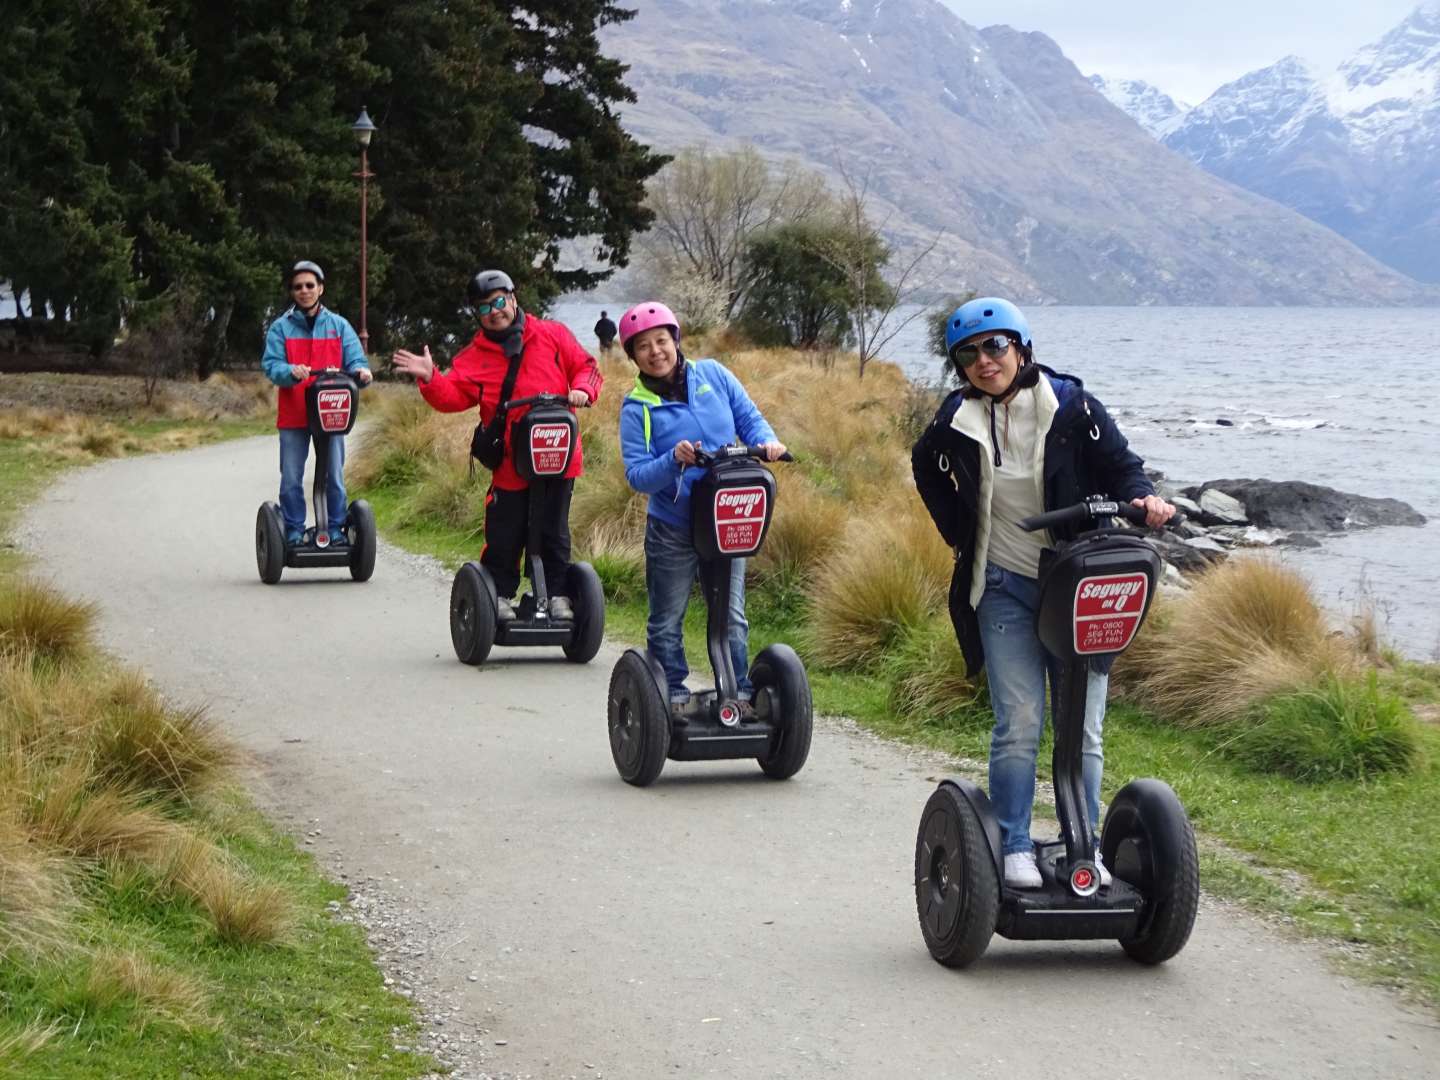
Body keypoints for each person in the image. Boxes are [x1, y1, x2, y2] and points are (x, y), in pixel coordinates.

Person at [911, 297, 1174, 889]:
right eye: (970, 353)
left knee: (1082, 725)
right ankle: (1014, 845)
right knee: (1021, 720)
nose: (985, 361)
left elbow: (1121, 466)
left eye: (995, 346)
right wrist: (960, 530)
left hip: (1078, 587)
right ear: (960, 366)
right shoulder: (955, 417)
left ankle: (1084, 843)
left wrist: (1146, 499)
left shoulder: (1072, 406)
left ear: (1021, 347)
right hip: (1001, 584)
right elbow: (924, 465)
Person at [391, 270, 602, 621]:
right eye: (484, 307)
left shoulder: (551, 335)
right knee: (505, 531)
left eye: (500, 301)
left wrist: (583, 389)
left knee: (554, 531)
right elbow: (454, 396)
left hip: (557, 455)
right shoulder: (475, 356)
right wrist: (431, 378)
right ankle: (499, 595)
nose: (495, 311)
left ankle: (556, 595)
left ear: (514, 299)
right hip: (509, 461)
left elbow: (587, 366)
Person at [616, 301, 786, 712]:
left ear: (676, 341)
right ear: (633, 355)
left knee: (732, 617)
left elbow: (749, 418)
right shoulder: (637, 406)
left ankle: (739, 693)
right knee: (666, 618)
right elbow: (638, 476)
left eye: (661, 341)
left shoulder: (713, 375)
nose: (655, 351)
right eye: (643, 346)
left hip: (727, 517)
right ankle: (671, 694)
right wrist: (672, 458)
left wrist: (769, 442)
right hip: (673, 526)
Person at [260, 260, 373, 546]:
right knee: (291, 478)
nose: (304, 290)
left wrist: (362, 372)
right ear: (292, 292)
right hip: (294, 414)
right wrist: (289, 372)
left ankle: (335, 529)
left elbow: (356, 361)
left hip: (331, 414)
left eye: (310, 285)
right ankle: (295, 530)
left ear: (320, 288)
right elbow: (271, 365)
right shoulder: (280, 329)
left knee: (333, 475)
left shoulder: (339, 326)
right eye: (298, 287)